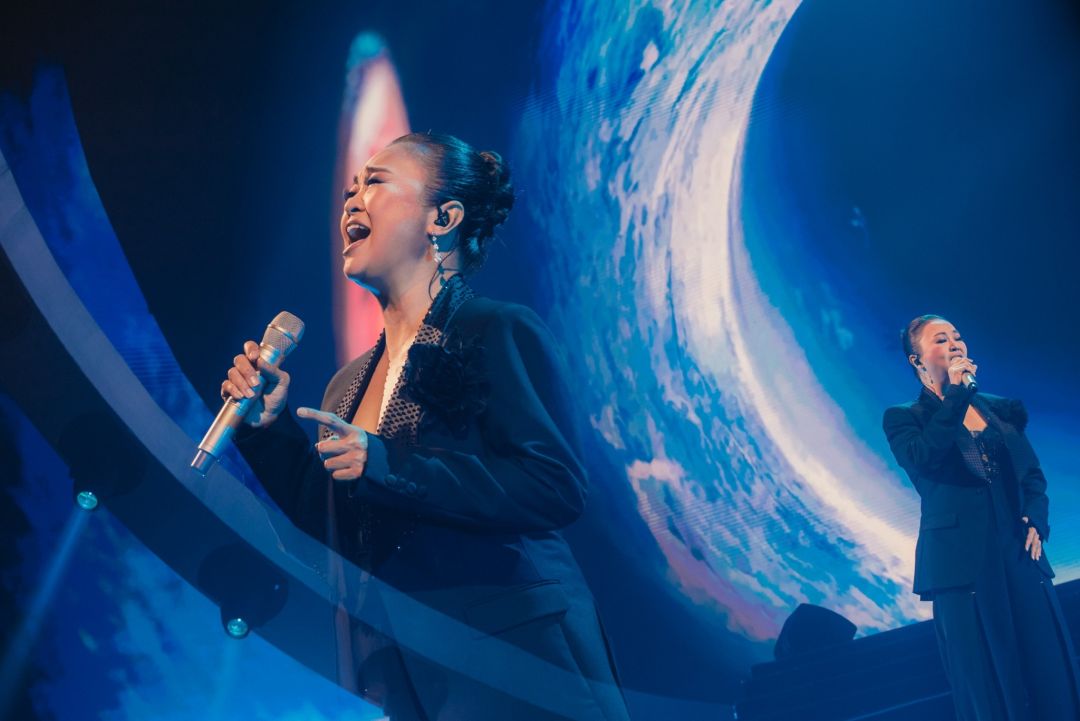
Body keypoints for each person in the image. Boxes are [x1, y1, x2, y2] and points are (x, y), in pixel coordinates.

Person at [219, 132, 630, 720]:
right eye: (350, 188)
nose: (351, 199)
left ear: (444, 218)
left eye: (375, 182)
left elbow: (554, 484)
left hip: (515, 653)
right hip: (410, 671)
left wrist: (387, 462)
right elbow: (337, 532)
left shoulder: (495, 330)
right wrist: (268, 430)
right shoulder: (345, 387)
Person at [883, 314, 1079, 720]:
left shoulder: (998, 409)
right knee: (987, 679)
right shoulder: (905, 417)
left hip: (1019, 553)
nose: (955, 343)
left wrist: (1035, 519)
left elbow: (1032, 476)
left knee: (1047, 670)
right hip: (962, 566)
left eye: (957, 336)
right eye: (940, 340)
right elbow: (926, 458)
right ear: (917, 360)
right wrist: (955, 395)